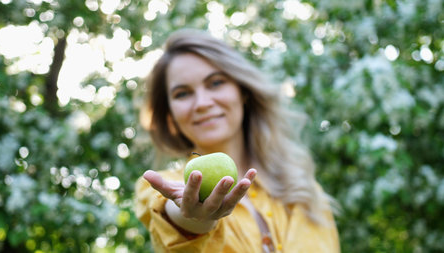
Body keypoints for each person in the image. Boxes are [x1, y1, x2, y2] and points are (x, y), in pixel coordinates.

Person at [134, 29, 340, 253]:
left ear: (242, 91)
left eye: (215, 83)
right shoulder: (161, 188)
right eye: (182, 94)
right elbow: (176, 219)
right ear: (169, 114)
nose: (202, 103)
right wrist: (194, 217)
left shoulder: (305, 191)